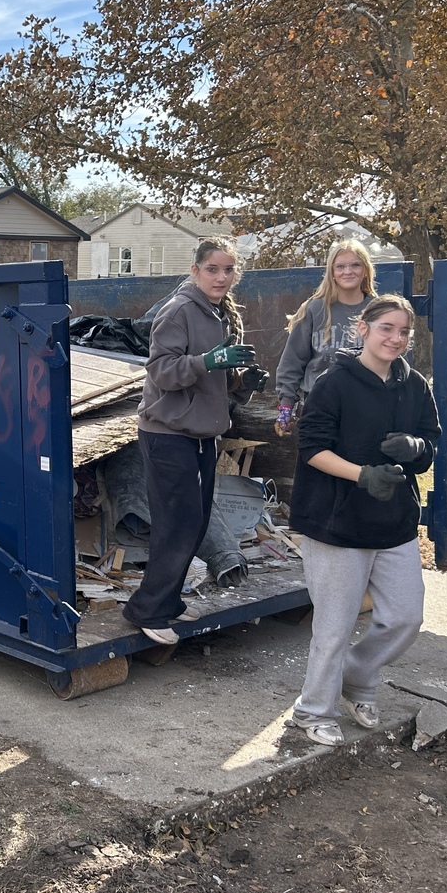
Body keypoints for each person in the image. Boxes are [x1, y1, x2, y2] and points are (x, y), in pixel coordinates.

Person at [286, 294, 441, 746]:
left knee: (405, 617)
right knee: (333, 627)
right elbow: (311, 448)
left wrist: (416, 448)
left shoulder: (415, 385)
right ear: (363, 329)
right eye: (386, 328)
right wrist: (363, 475)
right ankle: (314, 710)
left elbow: (430, 443)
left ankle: (357, 674)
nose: (395, 338)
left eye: (404, 331)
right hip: (337, 521)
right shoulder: (334, 382)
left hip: (393, 522)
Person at [121, 238, 268, 645]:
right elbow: (161, 372)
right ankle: (147, 609)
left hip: (202, 434)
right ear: (195, 270)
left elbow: (217, 384)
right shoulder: (179, 310)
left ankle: (167, 602)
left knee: (196, 522)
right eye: (212, 269)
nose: (221, 277)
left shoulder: (222, 314)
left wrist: (243, 384)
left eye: (228, 270)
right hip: (167, 433)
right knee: (177, 524)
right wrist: (209, 360)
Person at [274, 239, 378, 436]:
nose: (348, 271)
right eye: (340, 266)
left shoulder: (378, 310)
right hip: (319, 405)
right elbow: (292, 362)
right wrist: (286, 407)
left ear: (366, 269)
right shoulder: (315, 309)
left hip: (365, 406)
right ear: (331, 272)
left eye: (355, 265)